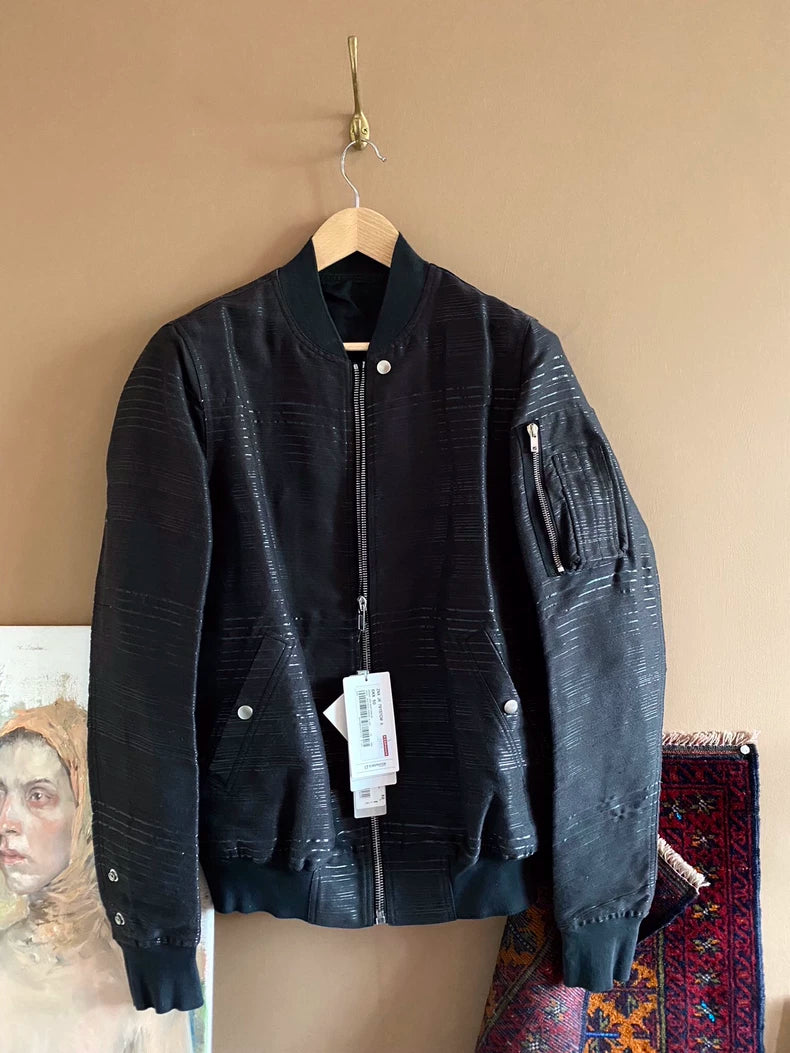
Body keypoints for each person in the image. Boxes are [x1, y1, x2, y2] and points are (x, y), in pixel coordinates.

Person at [0, 696, 198, 1052]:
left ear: (87, 813)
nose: (6, 821)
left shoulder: (143, 975)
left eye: (38, 796)